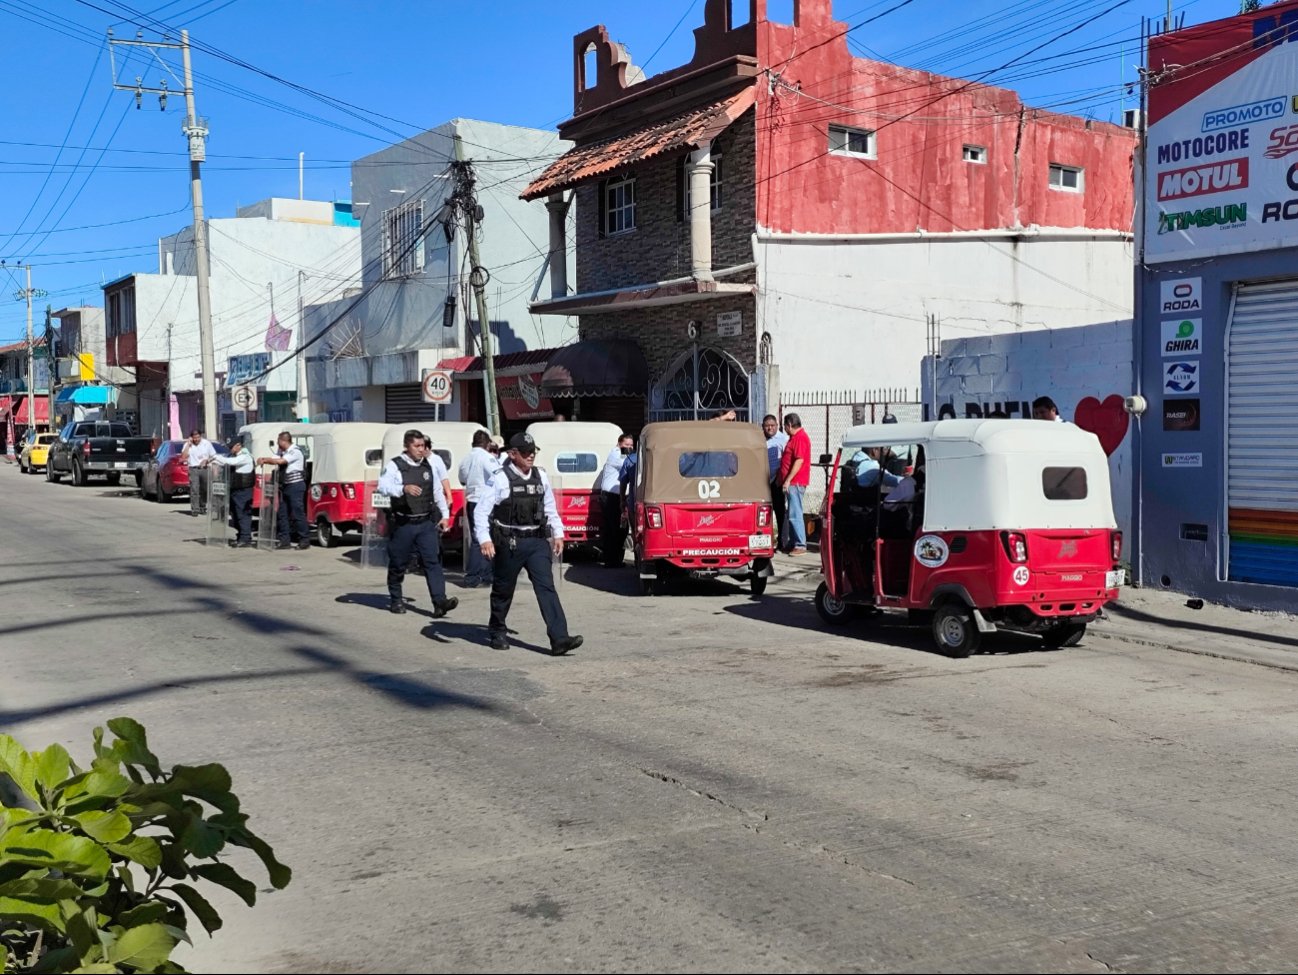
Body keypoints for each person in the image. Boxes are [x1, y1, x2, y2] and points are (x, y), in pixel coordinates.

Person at [474, 431, 582, 656]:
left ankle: (559, 638)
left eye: (533, 452)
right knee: (504, 589)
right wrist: (484, 539)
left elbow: (550, 507)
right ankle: (497, 630)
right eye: (525, 453)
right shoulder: (500, 478)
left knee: (546, 588)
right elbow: (481, 511)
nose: (531, 456)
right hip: (510, 542)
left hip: (536, 541)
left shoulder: (540, 476)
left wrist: (558, 533)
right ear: (513, 454)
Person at [378, 429, 460, 618]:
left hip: (425, 522)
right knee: (398, 563)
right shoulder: (395, 466)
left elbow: (437, 490)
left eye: (423, 446)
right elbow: (382, 487)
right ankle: (396, 599)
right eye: (417, 446)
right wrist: (403, 488)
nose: (421, 450)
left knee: (433, 561)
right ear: (407, 447)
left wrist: (445, 515)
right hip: (404, 523)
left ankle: (440, 601)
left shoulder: (428, 465)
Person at [457, 430, 500, 588]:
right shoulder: (488, 458)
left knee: (477, 539)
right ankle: (480, 576)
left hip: (472, 500)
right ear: (488, 444)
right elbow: (498, 477)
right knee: (486, 539)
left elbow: (462, 479)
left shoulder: (466, 459)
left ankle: (478, 576)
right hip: (486, 502)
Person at [258, 432, 310, 550]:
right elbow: (276, 458)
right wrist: (263, 459)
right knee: (282, 514)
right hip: (285, 486)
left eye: (278, 441)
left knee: (297, 513)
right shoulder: (283, 452)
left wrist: (265, 460)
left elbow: (281, 462)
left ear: (283, 441)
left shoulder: (295, 451)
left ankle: (304, 540)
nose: (277, 443)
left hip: (295, 485)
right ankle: (284, 540)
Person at [205, 438, 255, 547]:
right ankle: (241, 535)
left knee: (243, 514)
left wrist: (215, 457)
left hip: (244, 491)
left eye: (231, 446)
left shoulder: (245, 457)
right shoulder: (234, 456)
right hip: (235, 490)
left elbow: (230, 462)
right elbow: (224, 461)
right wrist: (210, 461)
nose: (230, 449)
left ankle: (245, 538)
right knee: (235, 514)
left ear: (238, 445)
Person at [598, 433, 634, 568]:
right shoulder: (616, 454)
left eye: (631, 446)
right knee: (613, 529)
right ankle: (611, 560)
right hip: (610, 497)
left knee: (621, 529)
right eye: (626, 445)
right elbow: (630, 464)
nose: (629, 448)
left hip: (619, 497)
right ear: (619, 444)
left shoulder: (624, 455)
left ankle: (616, 559)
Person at [778, 413, 812, 556]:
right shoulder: (795, 438)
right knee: (791, 512)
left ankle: (800, 544)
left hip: (795, 482)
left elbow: (799, 461)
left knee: (795, 512)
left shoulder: (800, 438)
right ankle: (793, 542)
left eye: (785, 426)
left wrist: (788, 479)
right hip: (792, 482)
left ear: (790, 425)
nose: (784, 429)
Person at [762, 414, 788, 538]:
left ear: (777, 426)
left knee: (780, 511)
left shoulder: (783, 439)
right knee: (764, 512)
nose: (770, 428)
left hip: (777, 481)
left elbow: (786, 460)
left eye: (772, 426)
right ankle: (767, 538)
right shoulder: (760, 439)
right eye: (767, 426)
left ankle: (782, 541)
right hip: (763, 481)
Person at [180, 429, 216, 517]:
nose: (196, 439)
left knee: (205, 489)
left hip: (205, 468)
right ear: (191, 437)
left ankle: (202, 507)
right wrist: (188, 445)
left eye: (198, 437)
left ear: (201, 436)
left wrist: (206, 460)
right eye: (194, 438)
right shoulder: (188, 444)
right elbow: (184, 456)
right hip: (193, 469)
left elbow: (214, 456)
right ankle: (195, 509)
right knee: (194, 489)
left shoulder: (206, 444)